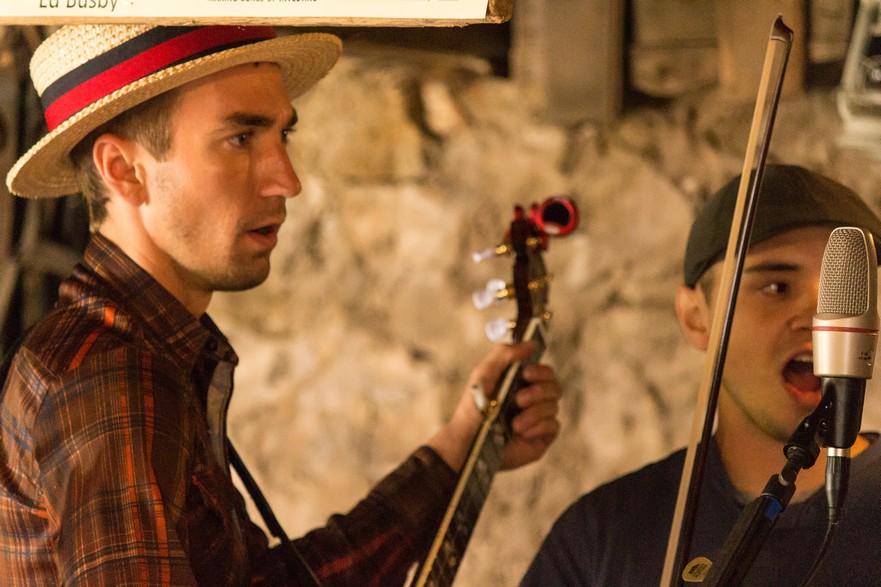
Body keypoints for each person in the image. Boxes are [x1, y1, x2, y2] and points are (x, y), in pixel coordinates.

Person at [0, 25, 563, 585]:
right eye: (241, 139)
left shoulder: (149, 352)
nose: (287, 181)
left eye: (282, 136)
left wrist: (459, 447)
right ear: (124, 171)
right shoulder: (109, 377)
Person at [521, 164, 881, 586]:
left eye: (846, 292)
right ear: (695, 317)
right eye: (776, 287)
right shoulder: (602, 535)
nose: (819, 318)